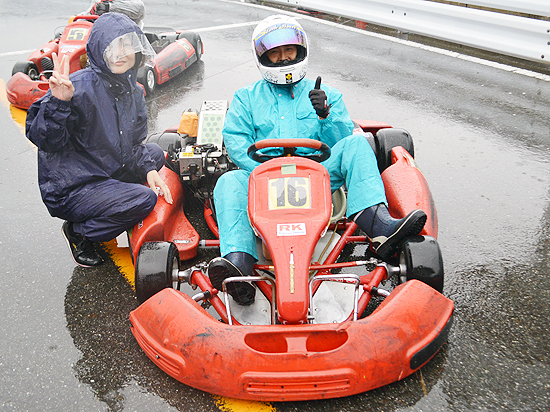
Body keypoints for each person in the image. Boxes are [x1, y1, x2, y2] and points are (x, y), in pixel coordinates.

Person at [208, 14, 427, 305]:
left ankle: (377, 225)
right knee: (228, 180)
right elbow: (236, 141)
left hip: (318, 173)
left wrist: (326, 115)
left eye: (289, 51)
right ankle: (239, 263)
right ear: (264, 56)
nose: (284, 58)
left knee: (356, 145)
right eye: (275, 52)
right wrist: (262, 171)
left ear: (301, 52)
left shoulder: (326, 94)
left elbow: (341, 138)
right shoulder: (246, 98)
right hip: (262, 175)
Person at [26, 12, 172, 268]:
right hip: (72, 184)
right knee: (144, 199)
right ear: (97, 50)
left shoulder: (133, 91)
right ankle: (80, 233)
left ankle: (115, 197)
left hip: (102, 167)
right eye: (112, 46)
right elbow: (45, 140)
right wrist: (59, 103)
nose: (121, 53)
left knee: (155, 155)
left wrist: (149, 169)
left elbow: (135, 143)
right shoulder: (77, 87)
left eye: (127, 45)